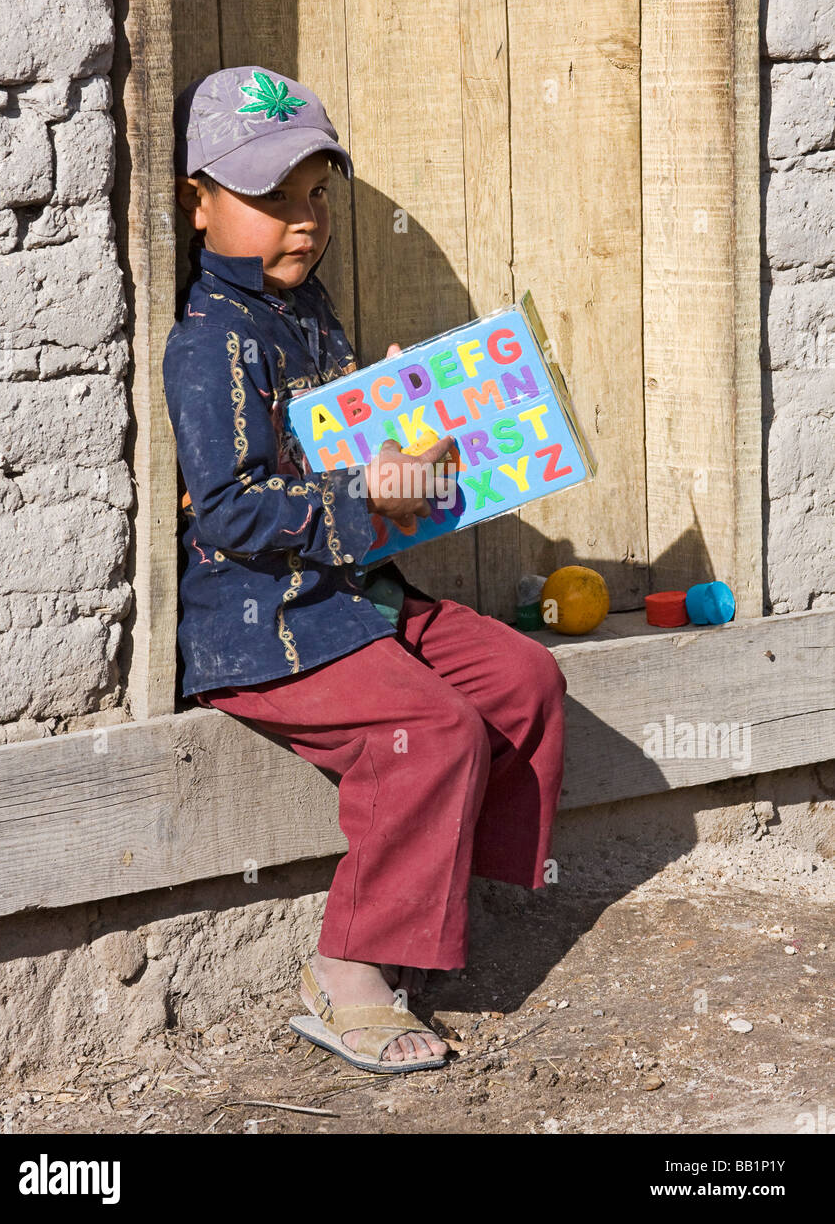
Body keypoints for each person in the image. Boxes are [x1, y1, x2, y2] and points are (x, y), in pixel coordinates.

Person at [163, 65, 567, 1074]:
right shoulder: (209, 343)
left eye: (313, 197)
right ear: (197, 203)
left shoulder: (306, 312)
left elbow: (335, 453)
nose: (300, 222)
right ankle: (347, 968)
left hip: (353, 594)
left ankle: (428, 927)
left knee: (524, 681)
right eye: (269, 200)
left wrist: (393, 413)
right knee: (424, 731)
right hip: (266, 620)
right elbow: (226, 508)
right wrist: (363, 498)